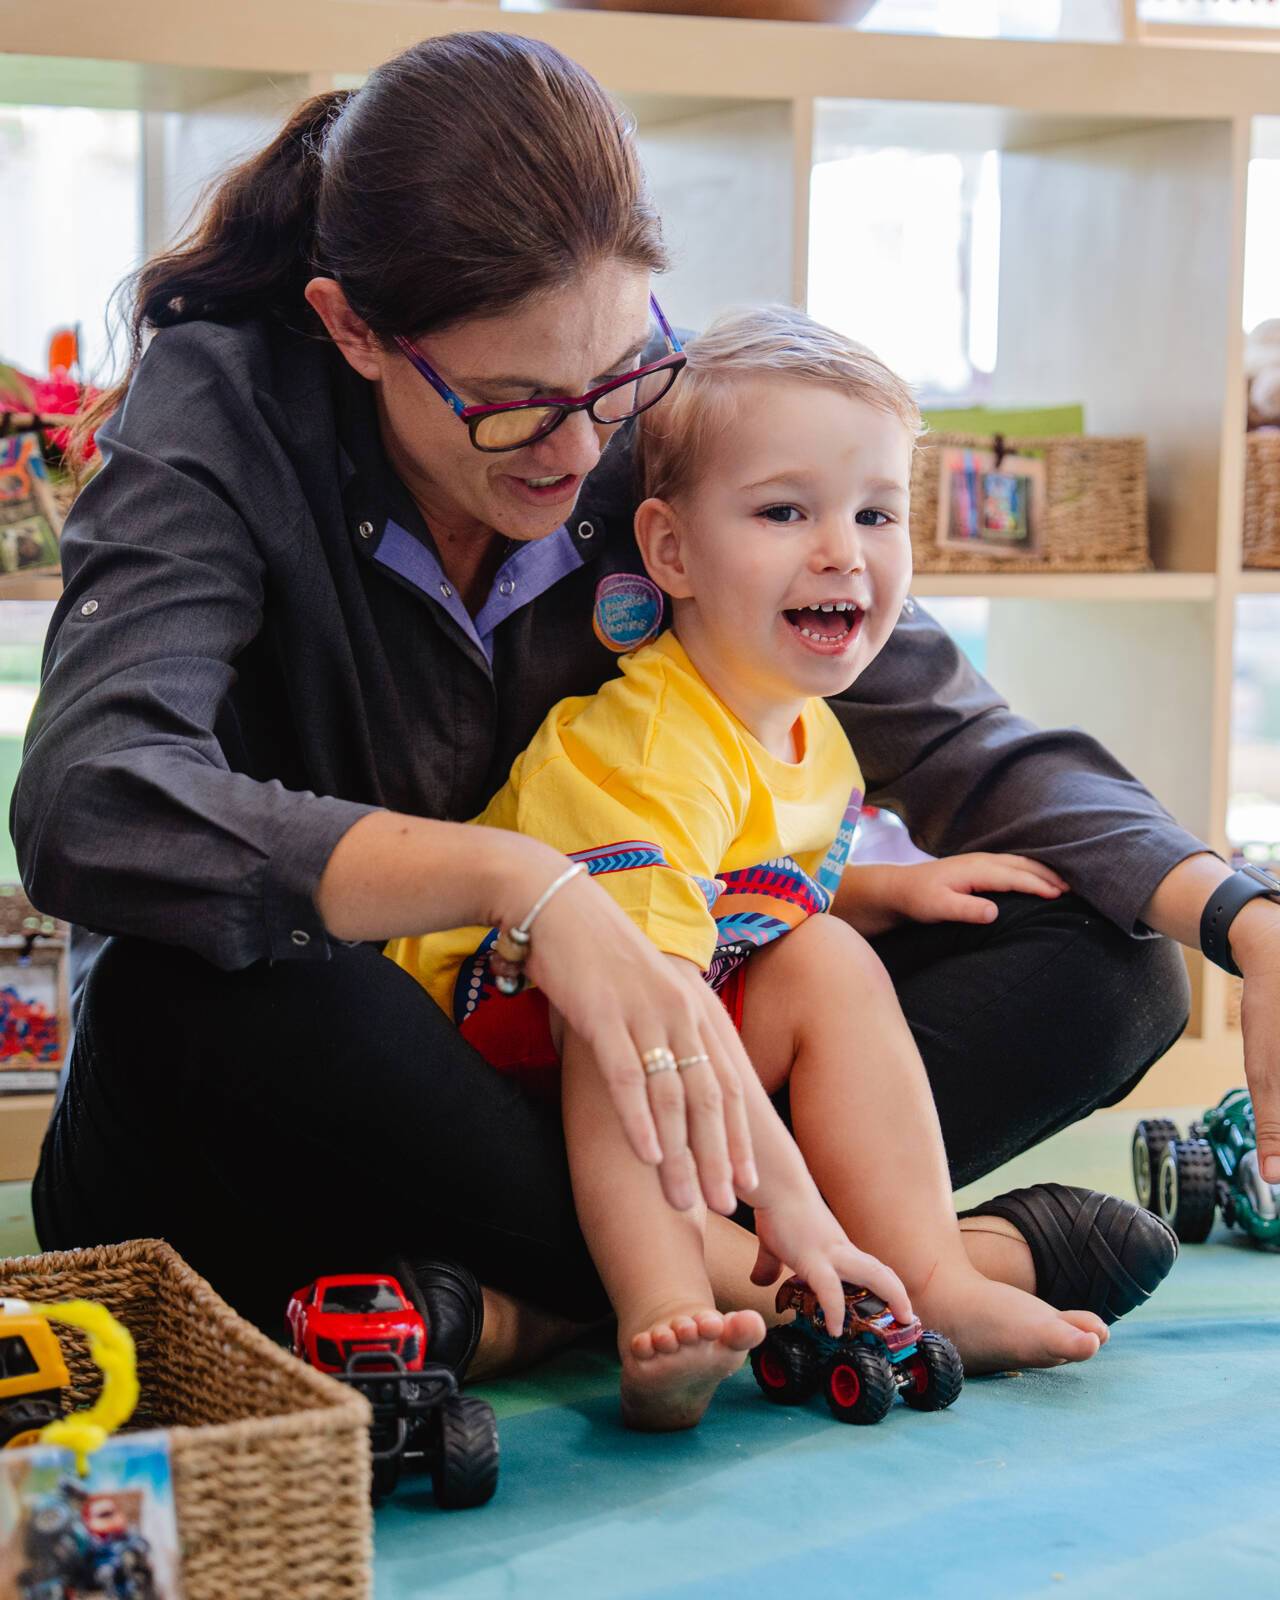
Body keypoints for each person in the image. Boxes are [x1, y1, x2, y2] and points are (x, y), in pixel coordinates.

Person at [13, 32, 1272, 1382]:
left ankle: (553, 1298)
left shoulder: (641, 408)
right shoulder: (222, 410)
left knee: (1108, 953)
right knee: (192, 994)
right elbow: (95, 796)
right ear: (352, 330)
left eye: (616, 376)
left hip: (604, 1096)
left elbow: (944, 723)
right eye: (510, 407)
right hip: (356, 1073)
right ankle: (866, 1272)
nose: (579, 449)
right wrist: (526, 889)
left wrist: (1244, 917)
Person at [389, 307, 1113, 1428]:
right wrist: (791, 1210)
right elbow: (651, 994)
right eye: (784, 512)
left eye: (874, 512)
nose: (840, 549)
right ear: (670, 551)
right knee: (622, 1031)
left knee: (820, 953)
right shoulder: (654, 736)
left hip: (666, 996)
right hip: (503, 1021)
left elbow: (751, 893)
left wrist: (879, 889)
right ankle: (659, 1306)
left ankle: (924, 1269)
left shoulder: (807, 726)